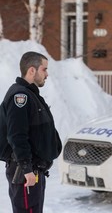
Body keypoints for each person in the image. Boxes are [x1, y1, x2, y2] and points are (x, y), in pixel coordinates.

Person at [0, 51, 62, 213]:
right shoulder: (20, 96)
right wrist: (27, 169)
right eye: (44, 69)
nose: (47, 74)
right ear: (32, 70)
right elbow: (16, 135)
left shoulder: (30, 94)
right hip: (25, 172)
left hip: (34, 170)